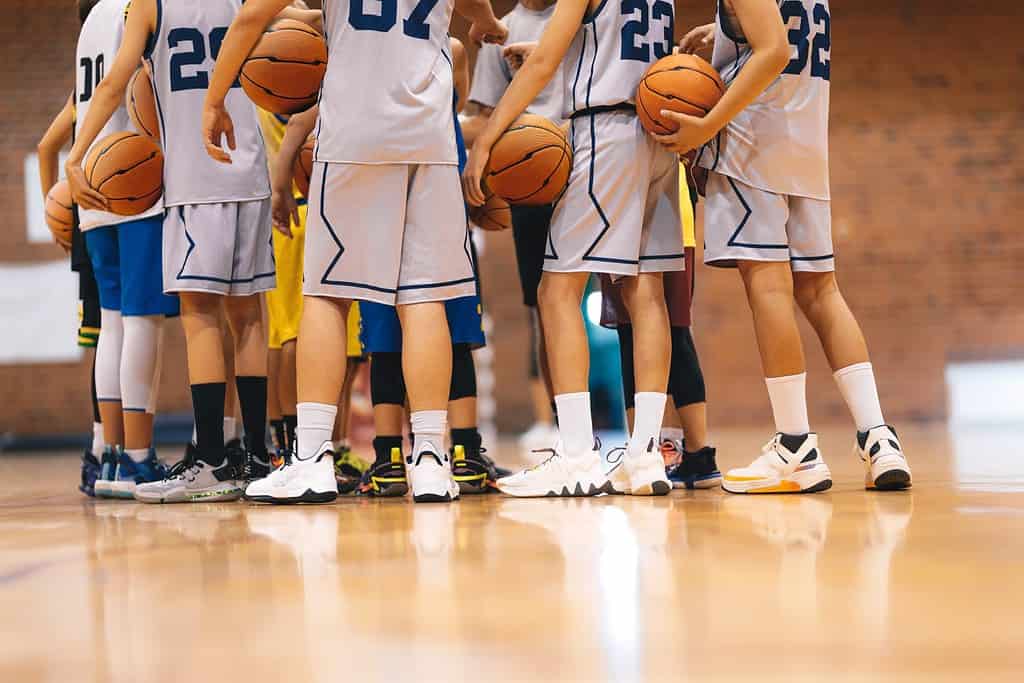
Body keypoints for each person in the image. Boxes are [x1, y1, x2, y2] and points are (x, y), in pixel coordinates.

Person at [203, 0, 508, 504]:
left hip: (354, 131)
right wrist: (487, 22)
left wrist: (215, 100)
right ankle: (431, 459)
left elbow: (253, 15)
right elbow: (473, 5)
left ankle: (313, 457)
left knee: (326, 294)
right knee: (424, 297)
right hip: (428, 133)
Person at [661, 0, 911, 492]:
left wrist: (706, 126)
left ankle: (795, 444)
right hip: (806, 146)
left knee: (769, 289)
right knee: (822, 292)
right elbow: (781, 37)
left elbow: (773, 50)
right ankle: (878, 437)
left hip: (754, 147)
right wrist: (723, 35)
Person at [464, 0, 683, 497]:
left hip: (604, 131)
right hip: (657, 132)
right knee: (645, 293)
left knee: (555, 291)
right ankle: (645, 453)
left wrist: (486, 139)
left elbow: (545, 65)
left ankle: (578, 455)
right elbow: (612, 48)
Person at [66, 0, 280, 503]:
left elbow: (115, 84)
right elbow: (295, 26)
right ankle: (254, 454)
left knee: (199, 313)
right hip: (248, 169)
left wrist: (77, 156)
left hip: (193, 177)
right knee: (249, 315)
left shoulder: (149, 4)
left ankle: (209, 459)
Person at [53, 0, 180, 500]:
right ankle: (139, 459)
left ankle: (110, 454)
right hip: (132, 179)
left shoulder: (90, 20)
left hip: (93, 193)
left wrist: (76, 161)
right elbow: (125, 87)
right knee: (143, 320)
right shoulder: (135, 8)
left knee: (113, 322)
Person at [462, 1, 563, 459]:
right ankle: (555, 422)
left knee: (627, 300)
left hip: (593, 164)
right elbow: (482, 116)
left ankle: (637, 424)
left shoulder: (584, 15)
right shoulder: (500, 31)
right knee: (540, 302)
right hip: (533, 177)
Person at [600, 160, 720, 490]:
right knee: (673, 330)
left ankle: (651, 450)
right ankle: (688, 452)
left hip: (632, 202)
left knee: (638, 330)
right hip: (665, 206)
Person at [37, 85, 105, 497]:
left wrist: (52, 210)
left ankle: (100, 446)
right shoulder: (125, 72)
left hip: (85, 227)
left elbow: (48, 146)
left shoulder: (82, 84)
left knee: (104, 341)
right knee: (132, 331)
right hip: (126, 217)